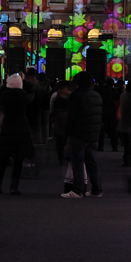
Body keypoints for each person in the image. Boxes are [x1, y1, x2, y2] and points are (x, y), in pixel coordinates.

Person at [61, 71, 103, 199]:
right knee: (92, 162)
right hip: (93, 134)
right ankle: (96, 189)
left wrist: (67, 132)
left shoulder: (77, 96)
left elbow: (72, 117)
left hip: (79, 133)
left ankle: (77, 190)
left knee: (77, 162)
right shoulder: (96, 95)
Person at [0, 74, 35, 195]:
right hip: (21, 129)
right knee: (18, 159)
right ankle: (13, 187)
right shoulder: (24, 97)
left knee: (2, 159)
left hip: (7, 128)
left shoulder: (3, 98)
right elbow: (32, 94)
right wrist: (25, 82)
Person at [49, 81, 72, 164]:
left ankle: (60, 156)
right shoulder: (71, 95)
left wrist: (52, 116)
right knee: (68, 137)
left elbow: (51, 107)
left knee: (59, 137)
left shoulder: (55, 95)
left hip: (58, 118)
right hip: (68, 117)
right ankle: (67, 154)